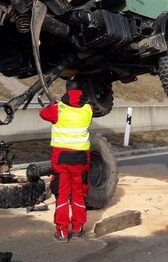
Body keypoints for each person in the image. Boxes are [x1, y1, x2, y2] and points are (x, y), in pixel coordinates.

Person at [39, 79, 93, 243]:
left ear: (67, 90)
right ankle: (77, 228)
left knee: (62, 195)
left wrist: (52, 105)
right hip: (81, 160)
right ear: (81, 91)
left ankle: (62, 233)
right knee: (79, 195)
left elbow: (43, 114)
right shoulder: (88, 109)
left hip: (62, 161)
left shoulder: (57, 109)